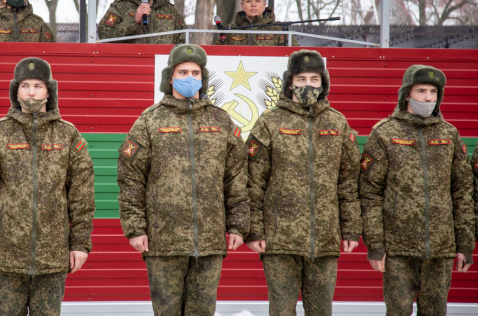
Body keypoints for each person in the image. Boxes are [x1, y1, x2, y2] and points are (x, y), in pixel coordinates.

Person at [118, 44, 249, 315]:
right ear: (170, 77)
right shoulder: (149, 121)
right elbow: (131, 178)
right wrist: (135, 228)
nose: (190, 77)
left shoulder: (221, 121)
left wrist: (237, 225)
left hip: (209, 241)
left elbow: (236, 176)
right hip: (163, 241)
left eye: (195, 73)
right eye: (183, 72)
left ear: (203, 78)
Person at [0, 57, 95, 315]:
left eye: (38, 86)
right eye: (25, 86)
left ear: (49, 91)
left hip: (53, 258)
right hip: (7, 257)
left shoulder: (68, 134)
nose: (31, 92)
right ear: (16, 92)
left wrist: (80, 243)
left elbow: (82, 194)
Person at [246, 49, 361, 316]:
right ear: (290, 83)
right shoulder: (269, 123)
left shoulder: (338, 123)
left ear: (323, 83)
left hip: (324, 239)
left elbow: (349, 182)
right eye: (301, 79)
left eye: (314, 79)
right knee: (282, 311)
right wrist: (255, 230)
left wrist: (351, 229)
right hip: (279, 240)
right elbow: (253, 181)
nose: (308, 85)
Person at [360, 65, 475, 315]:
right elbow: (370, 193)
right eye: (421, 91)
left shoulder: (449, 135)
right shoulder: (385, 133)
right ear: (406, 95)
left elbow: (463, 193)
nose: (428, 98)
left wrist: (465, 244)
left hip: (440, 248)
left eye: (433, 92)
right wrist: (375, 245)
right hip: (397, 249)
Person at [217, 0, 297, 46]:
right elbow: (216, 55)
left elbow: (296, 56)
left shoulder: (280, 30)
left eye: (257, 1)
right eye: (248, 1)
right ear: (242, 5)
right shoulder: (230, 31)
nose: (253, 5)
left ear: (264, 4)